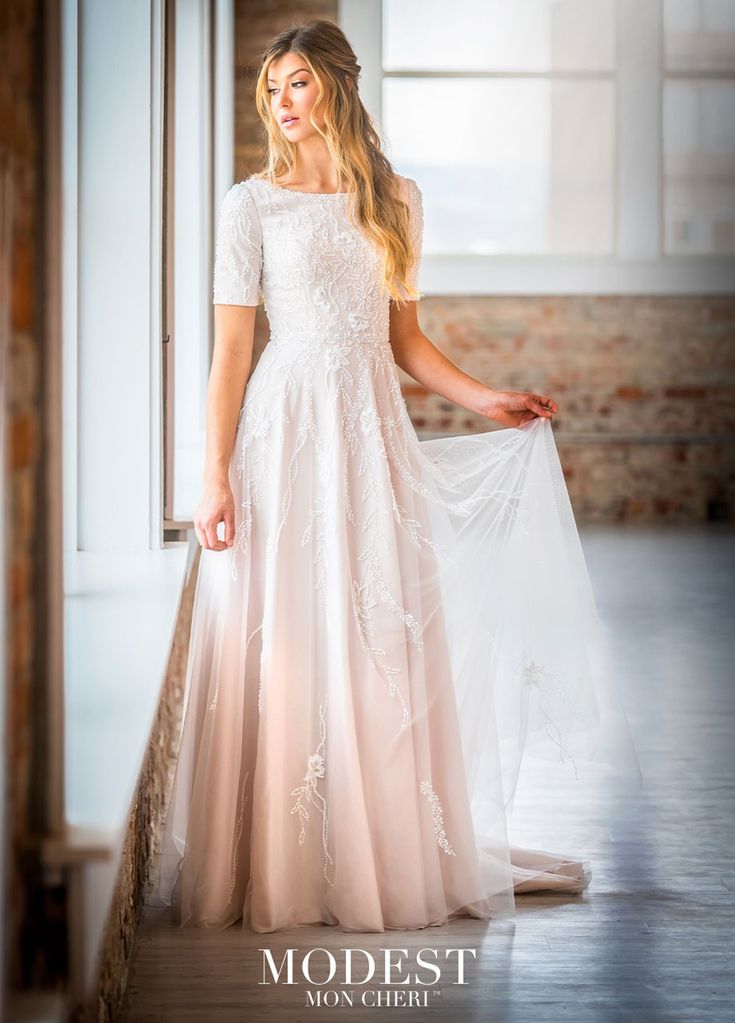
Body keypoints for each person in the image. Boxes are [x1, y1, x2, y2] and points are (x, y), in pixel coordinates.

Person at [149, 19, 641, 933]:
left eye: (297, 84)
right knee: (291, 629)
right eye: (272, 88)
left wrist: (485, 396)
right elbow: (228, 352)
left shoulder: (398, 201)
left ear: (336, 84)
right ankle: (285, 858)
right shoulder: (248, 205)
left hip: (370, 431)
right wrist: (210, 475)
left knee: (376, 628)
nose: (281, 103)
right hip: (287, 428)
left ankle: (380, 846)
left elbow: (404, 340)